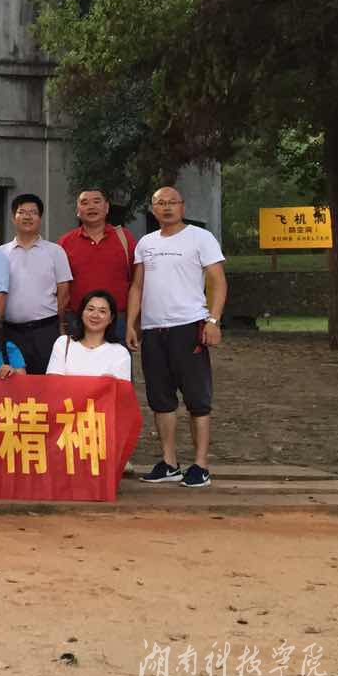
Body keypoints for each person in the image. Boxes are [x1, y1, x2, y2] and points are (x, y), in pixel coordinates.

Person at [128, 186, 227, 488]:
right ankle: (169, 462)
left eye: (172, 202)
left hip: (189, 326)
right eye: (161, 203)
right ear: (153, 208)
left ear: (183, 206)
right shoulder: (146, 243)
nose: (167, 207)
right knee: (161, 400)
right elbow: (137, 286)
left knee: (198, 400)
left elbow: (218, 281)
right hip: (153, 330)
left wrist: (213, 320)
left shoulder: (200, 238)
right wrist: (132, 324)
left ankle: (201, 465)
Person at [0, 193, 73, 374]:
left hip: (45, 330)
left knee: (46, 380)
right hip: (10, 331)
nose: (27, 216)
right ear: (13, 217)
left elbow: (64, 292)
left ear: (40, 218)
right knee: (12, 381)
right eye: (22, 212)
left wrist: (59, 325)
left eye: (33, 212)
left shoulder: (55, 251)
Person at [58, 187, 136, 340]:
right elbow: (60, 287)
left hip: (117, 321)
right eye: (85, 203)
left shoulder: (125, 238)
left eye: (96, 201)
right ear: (78, 211)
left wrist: (133, 323)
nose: (91, 207)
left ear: (106, 207)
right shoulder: (65, 243)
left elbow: (137, 283)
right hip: (77, 321)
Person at [46, 289, 132, 379]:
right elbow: (53, 381)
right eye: (90, 309)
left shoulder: (120, 352)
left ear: (111, 318)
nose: (95, 315)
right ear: (81, 313)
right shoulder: (63, 343)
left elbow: (122, 387)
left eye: (102, 311)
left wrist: (113, 383)